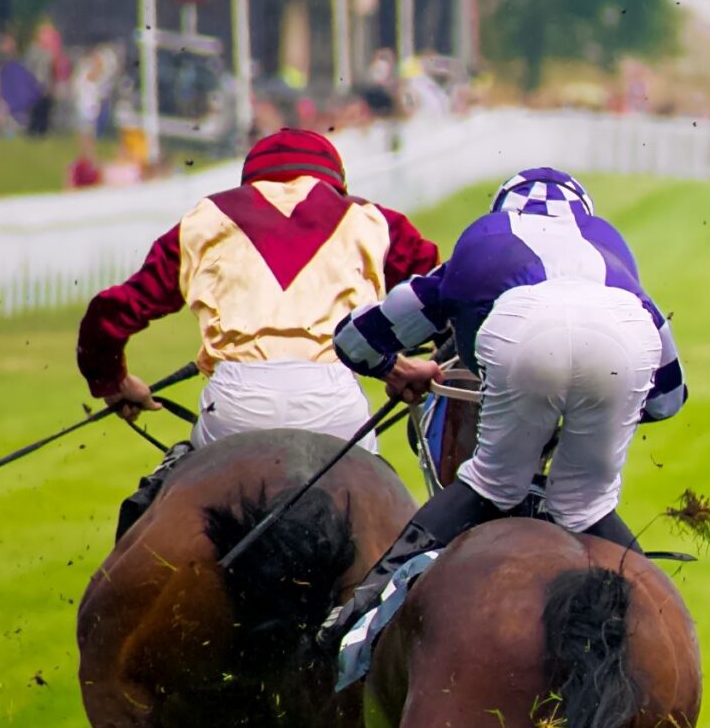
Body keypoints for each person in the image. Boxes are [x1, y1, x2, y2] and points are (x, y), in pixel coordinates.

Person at [319, 166, 686, 647]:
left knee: (492, 481)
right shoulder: (612, 254)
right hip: (625, 336)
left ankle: (359, 607)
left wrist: (396, 367)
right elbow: (667, 401)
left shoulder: (481, 247)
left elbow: (354, 341)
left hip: (523, 332)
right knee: (585, 504)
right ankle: (663, 630)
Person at [78, 127, 441, 539]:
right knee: (380, 519)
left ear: (251, 180)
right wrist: (400, 364)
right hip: (334, 404)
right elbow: (435, 295)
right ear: (335, 179)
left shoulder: (207, 218)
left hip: (237, 404)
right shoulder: (373, 219)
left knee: (162, 509)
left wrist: (112, 379)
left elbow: (109, 313)